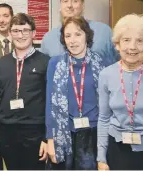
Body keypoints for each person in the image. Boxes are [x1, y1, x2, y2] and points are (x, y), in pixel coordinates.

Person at [0, 13, 50, 170]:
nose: (20, 35)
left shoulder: (45, 62)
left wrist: (47, 137)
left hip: (35, 134)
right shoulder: (2, 63)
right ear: (10, 34)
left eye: (25, 30)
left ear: (34, 34)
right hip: (7, 133)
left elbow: (51, 102)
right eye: (15, 30)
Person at [46, 16, 107, 170]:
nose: (72, 40)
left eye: (78, 34)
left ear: (87, 35)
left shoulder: (102, 64)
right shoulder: (55, 63)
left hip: (93, 135)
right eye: (68, 36)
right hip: (63, 134)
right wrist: (50, 139)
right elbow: (49, 103)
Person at [97, 14, 143, 170]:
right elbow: (103, 118)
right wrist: (101, 158)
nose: (132, 47)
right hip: (117, 149)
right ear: (117, 44)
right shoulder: (106, 75)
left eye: (139, 41)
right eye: (126, 40)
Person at [40, 0, 119, 66]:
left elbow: (119, 64)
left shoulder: (103, 32)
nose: (69, 5)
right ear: (60, 6)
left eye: (75, 1)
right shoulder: (48, 38)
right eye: (65, 1)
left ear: (83, 5)